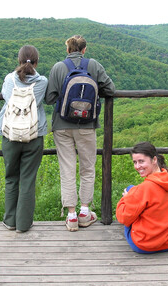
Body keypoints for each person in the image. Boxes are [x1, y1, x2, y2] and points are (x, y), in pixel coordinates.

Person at [45, 35, 115, 231]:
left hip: (62, 125)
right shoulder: (93, 65)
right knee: (87, 168)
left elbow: (50, 98)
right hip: (87, 125)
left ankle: (71, 215)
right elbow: (111, 88)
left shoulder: (59, 67)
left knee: (67, 168)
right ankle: (85, 212)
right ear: (84, 50)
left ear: (68, 50)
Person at [0, 45, 48, 233]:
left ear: (18, 60)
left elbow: (4, 96)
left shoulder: (9, 79)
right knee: (27, 179)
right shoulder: (42, 81)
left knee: (11, 178)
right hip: (34, 135)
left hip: (9, 134)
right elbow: (43, 100)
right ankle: (24, 224)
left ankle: (10, 221)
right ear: (36, 61)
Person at [116, 141, 168, 253]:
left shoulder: (144, 189)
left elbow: (123, 218)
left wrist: (126, 198)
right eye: (135, 162)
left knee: (130, 189)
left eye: (141, 161)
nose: (137, 166)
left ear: (154, 160)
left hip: (145, 245)